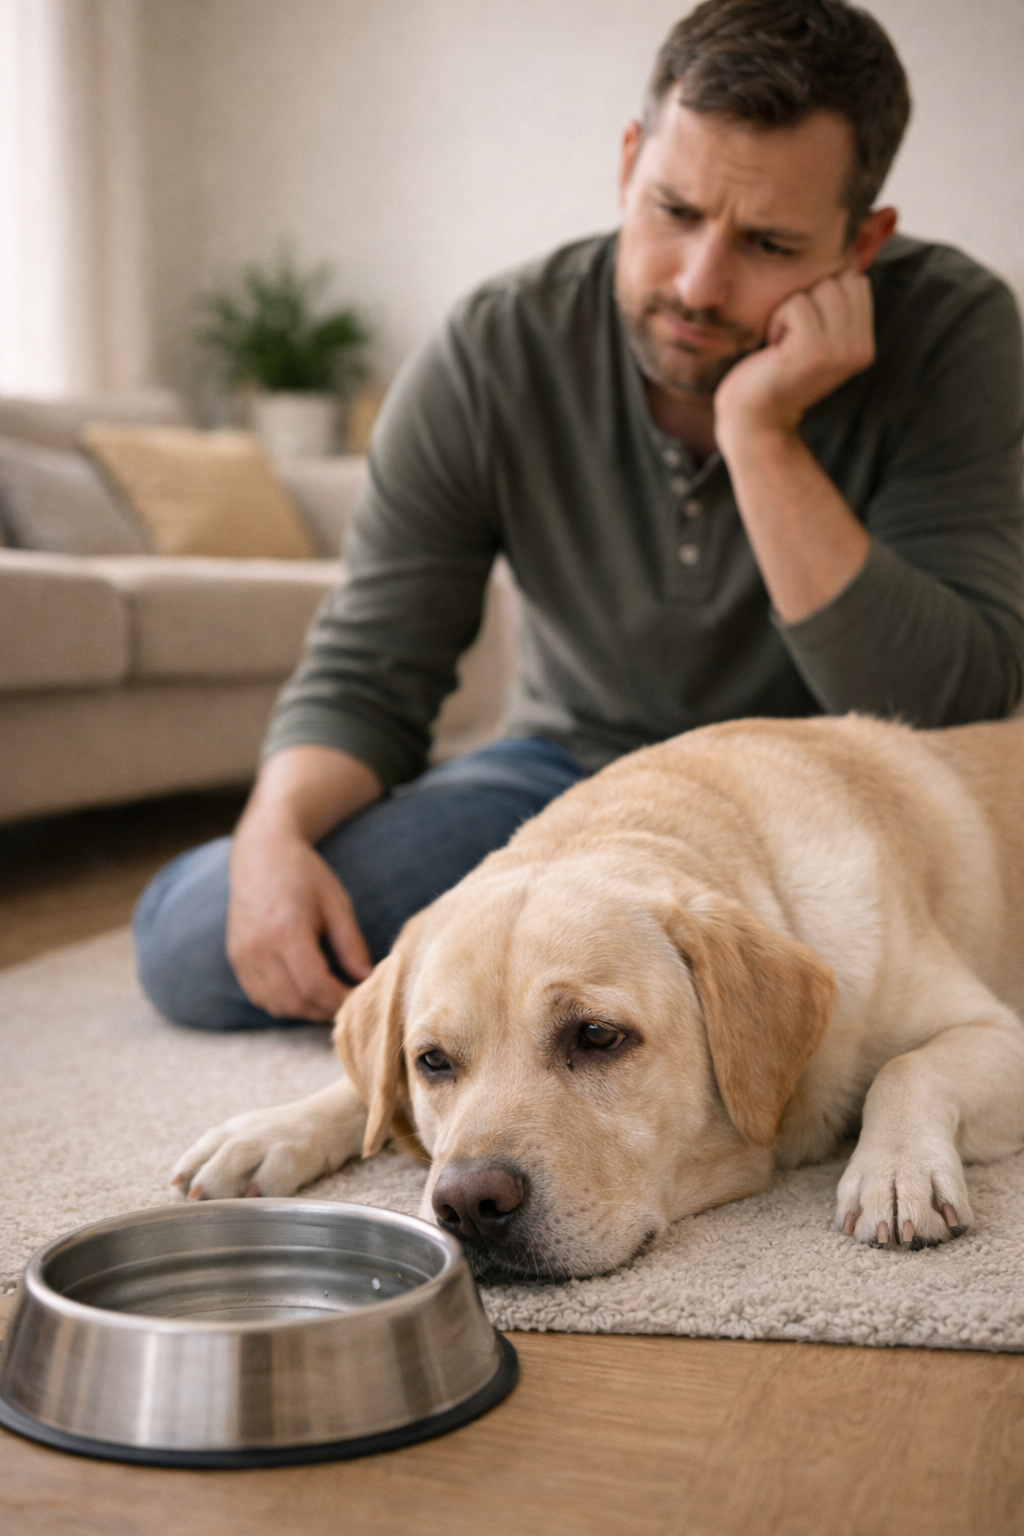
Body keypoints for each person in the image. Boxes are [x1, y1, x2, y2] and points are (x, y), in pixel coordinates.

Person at [135, 0, 1024, 1031]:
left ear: (861, 244)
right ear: (627, 162)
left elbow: (947, 698)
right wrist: (272, 833)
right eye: (675, 211)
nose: (697, 281)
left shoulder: (955, 330)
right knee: (200, 936)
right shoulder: (494, 346)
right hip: (569, 778)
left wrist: (761, 436)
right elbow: (373, 662)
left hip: (820, 808)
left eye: (769, 243)